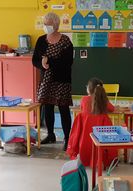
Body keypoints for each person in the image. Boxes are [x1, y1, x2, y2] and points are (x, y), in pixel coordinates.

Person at [32, 12, 74, 151]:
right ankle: (50, 134)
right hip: (46, 80)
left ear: (55, 25)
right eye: (44, 23)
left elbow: (68, 62)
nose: (45, 26)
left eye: (47, 24)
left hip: (61, 80)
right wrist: (42, 64)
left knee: (63, 108)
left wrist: (48, 62)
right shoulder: (41, 40)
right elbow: (35, 60)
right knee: (47, 107)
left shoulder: (65, 41)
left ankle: (67, 138)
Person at [67, 78, 116, 167]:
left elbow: (83, 109)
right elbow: (112, 109)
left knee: (85, 143)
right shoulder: (104, 100)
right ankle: (99, 162)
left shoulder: (84, 99)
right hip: (100, 133)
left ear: (89, 88)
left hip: (86, 133)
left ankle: (84, 160)